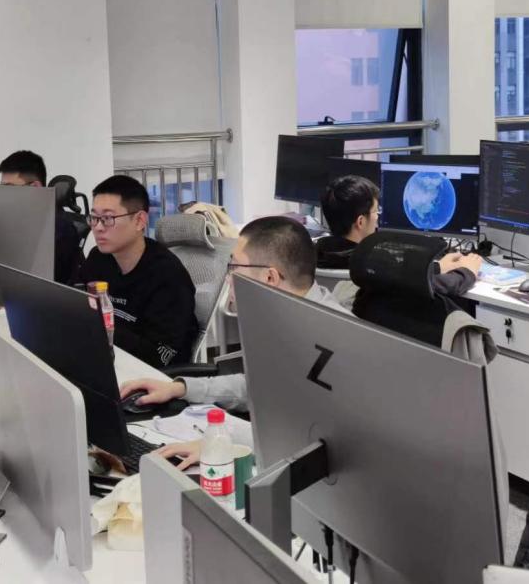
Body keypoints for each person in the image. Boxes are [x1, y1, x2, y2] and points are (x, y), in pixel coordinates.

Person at [119, 216, 344, 467]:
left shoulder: (336, 341)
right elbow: (258, 387)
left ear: (270, 278)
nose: (228, 279)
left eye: (234, 267)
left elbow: (325, 444)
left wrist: (222, 443)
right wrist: (180, 388)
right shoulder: (281, 317)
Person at [78, 175, 197, 368]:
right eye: (94, 218)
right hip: (105, 359)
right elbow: (76, 304)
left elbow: (158, 356)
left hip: (154, 375)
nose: (97, 228)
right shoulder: (98, 259)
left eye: (107, 218)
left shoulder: (167, 276)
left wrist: (102, 327)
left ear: (140, 220)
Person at [0, 150, 83, 285]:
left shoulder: (59, 228)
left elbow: (45, 282)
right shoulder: (19, 220)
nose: (4, 195)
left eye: (9, 188)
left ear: (35, 187)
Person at [315, 175, 379, 269]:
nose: (377, 217)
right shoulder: (376, 266)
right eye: (375, 211)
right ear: (360, 221)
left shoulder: (310, 256)